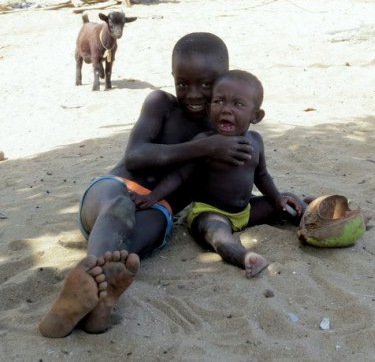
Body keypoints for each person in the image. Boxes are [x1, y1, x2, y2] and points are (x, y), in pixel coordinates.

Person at [39, 32, 254, 337]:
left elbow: (234, 190)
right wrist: (204, 148)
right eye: (183, 83)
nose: (193, 94)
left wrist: (281, 200)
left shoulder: (226, 132)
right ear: (172, 78)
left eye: (206, 85)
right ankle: (91, 283)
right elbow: (137, 156)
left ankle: (97, 306)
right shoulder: (161, 105)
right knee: (120, 206)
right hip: (112, 190)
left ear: (224, 77)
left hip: (159, 209)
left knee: (128, 255)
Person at [133, 70, 306, 278]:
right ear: (208, 108)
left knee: (289, 201)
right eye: (219, 101)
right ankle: (245, 257)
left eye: (238, 104)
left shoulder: (256, 141)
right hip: (209, 212)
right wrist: (153, 196)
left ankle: (313, 222)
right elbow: (179, 176)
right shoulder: (205, 143)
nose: (226, 110)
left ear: (256, 116)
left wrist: (277, 198)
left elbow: (262, 175)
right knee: (218, 235)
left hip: (246, 210)